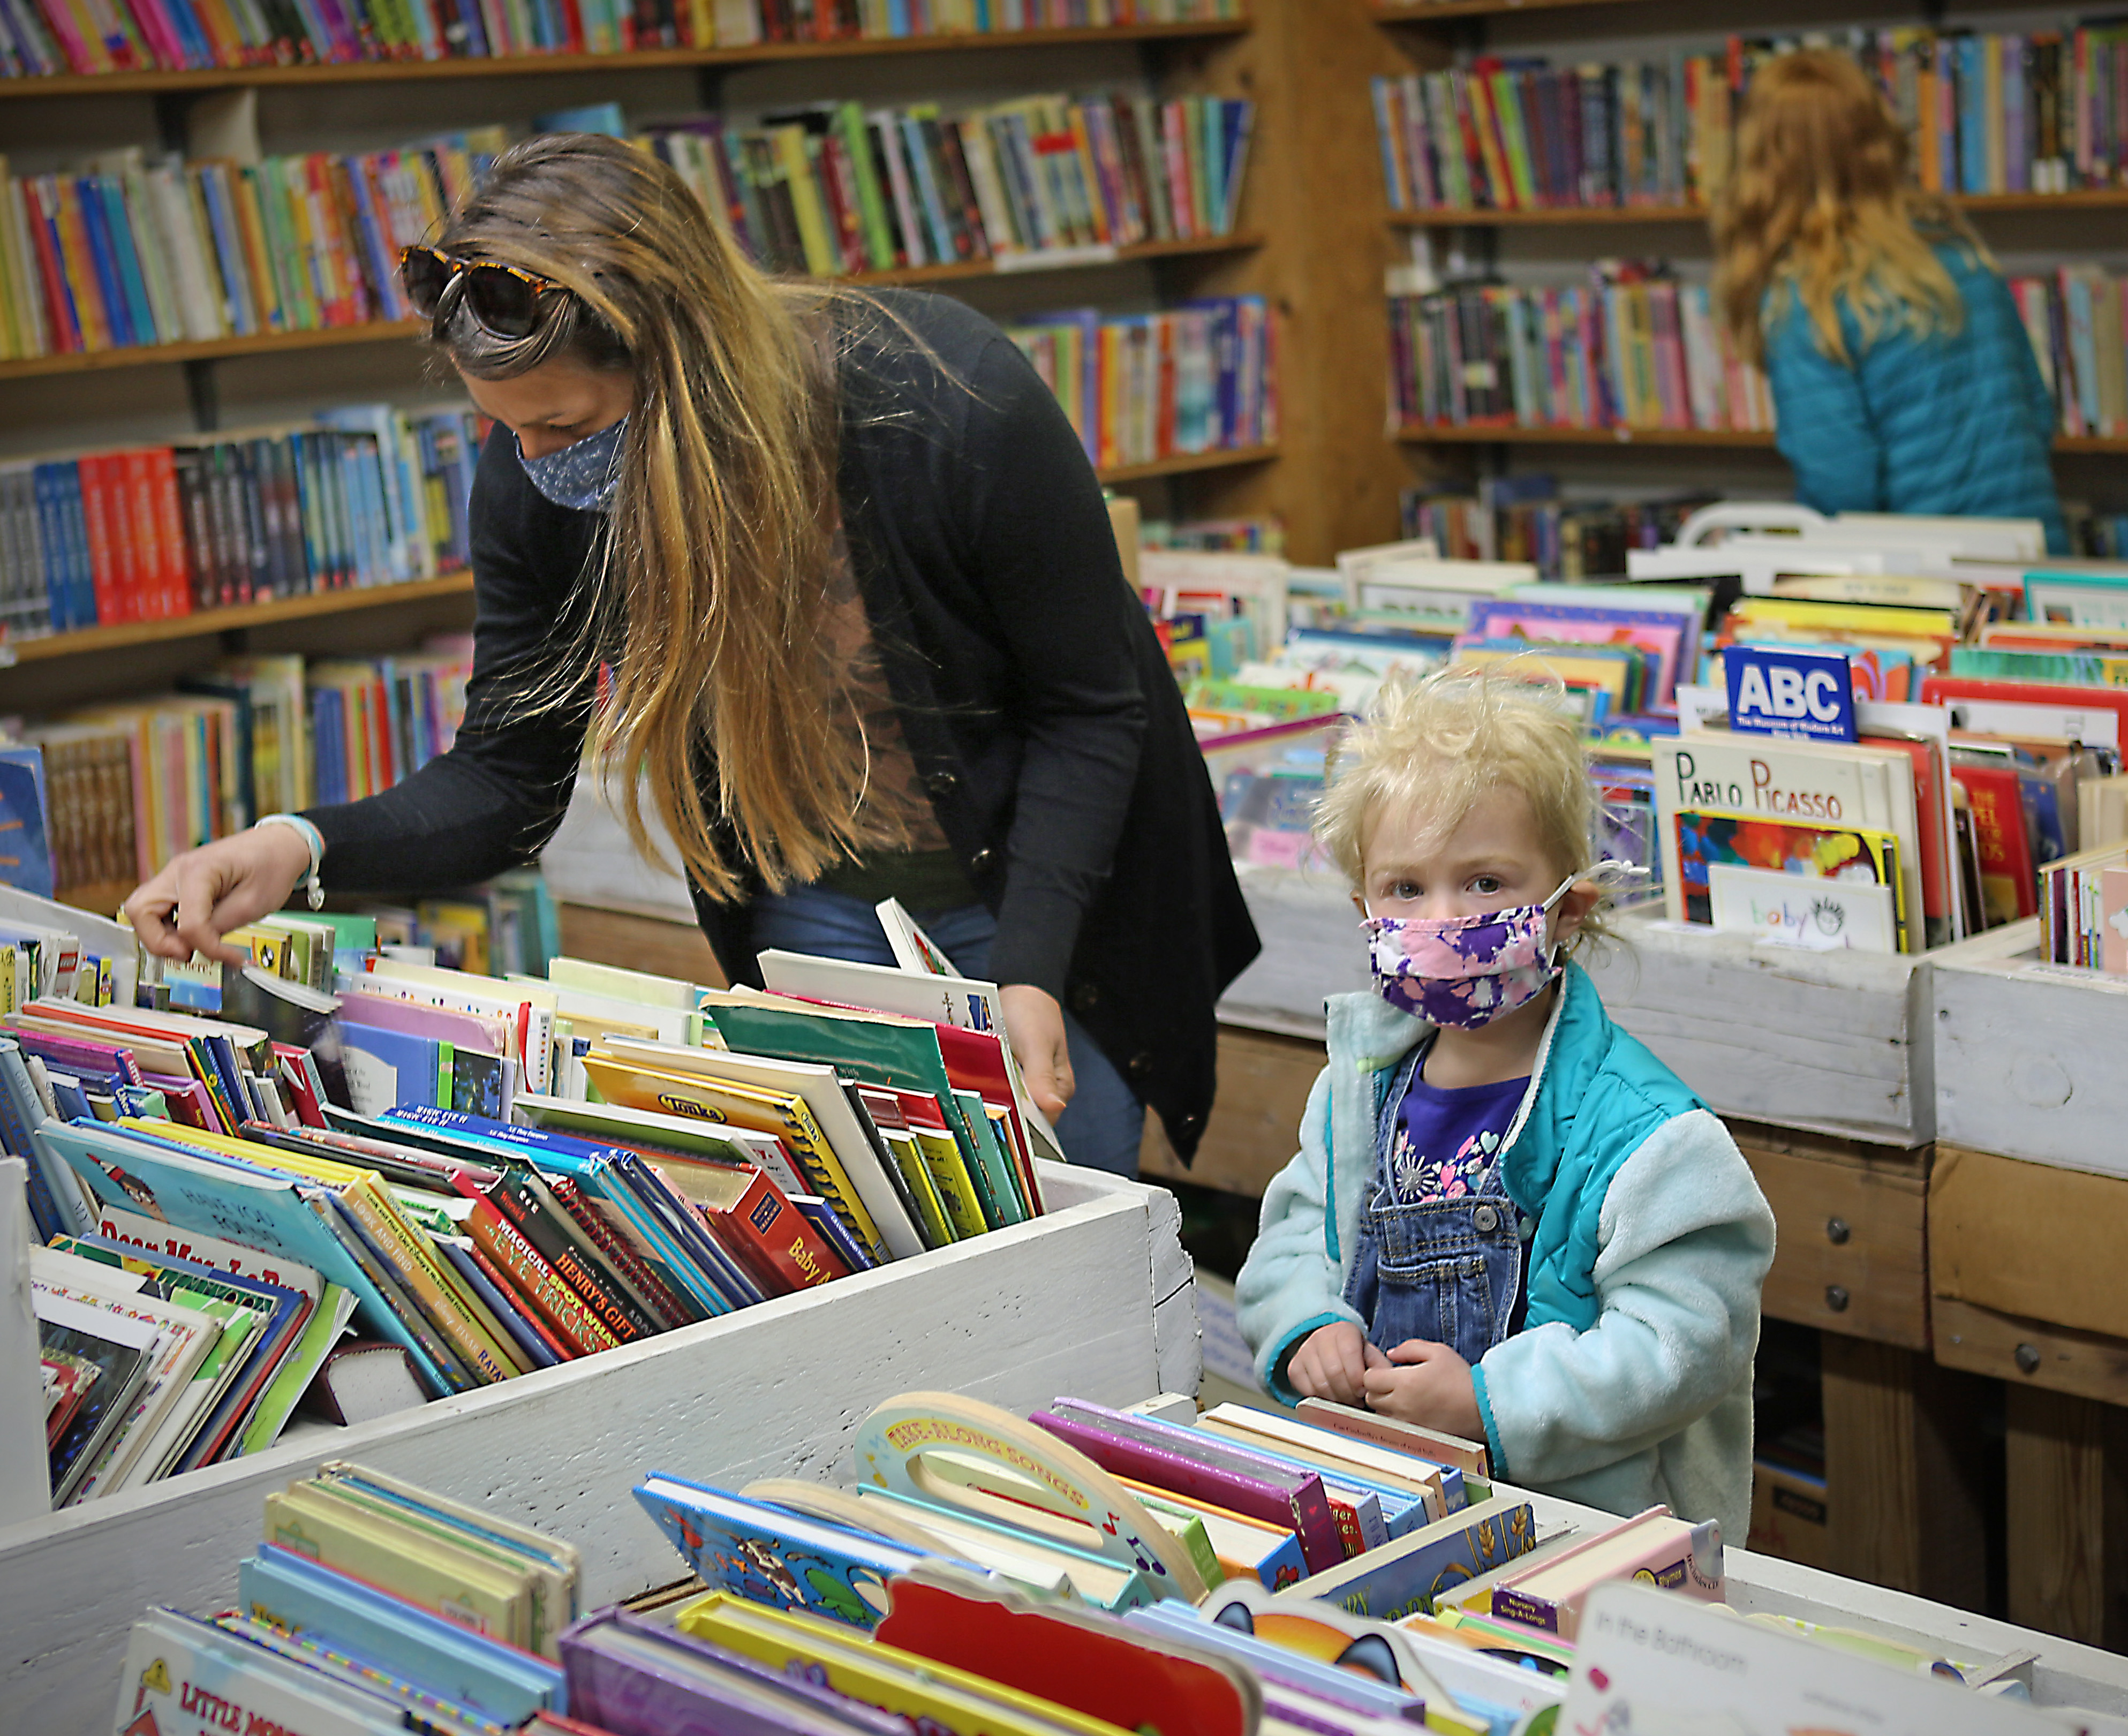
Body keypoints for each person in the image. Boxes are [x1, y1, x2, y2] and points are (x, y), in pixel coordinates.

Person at [123, 133, 1257, 1179]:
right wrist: (296, 844)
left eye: (564, 427)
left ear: (683, 363)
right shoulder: (536, 476)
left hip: (1051, 895)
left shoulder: (949, 399)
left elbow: (1090, 710)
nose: (532, 461)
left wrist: (1026, 969)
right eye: (505, 429)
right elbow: (506, 778)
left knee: (1068, 1228)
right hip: (811, 903)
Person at [1232, 671, 1774, 1538]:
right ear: (1363, 909)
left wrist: (1490, 1401)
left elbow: (1686, 1341)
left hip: (1590, 1539)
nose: (1443, 917)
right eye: (1405, 888)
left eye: (1485, 882)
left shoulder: (1649, 1137)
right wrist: (1306, 1323)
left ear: (1568, 910)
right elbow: (1295, 1233)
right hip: (1387, 1505)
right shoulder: (1356, 1088)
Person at [1712, 49, 2067, 550]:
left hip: (1927, 585)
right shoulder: (1959, 257)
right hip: (2033, 560)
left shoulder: (1809, 301)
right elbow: (2037, 413)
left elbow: (1841, 486)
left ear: (1760, 164)